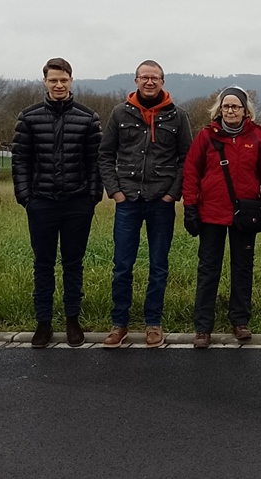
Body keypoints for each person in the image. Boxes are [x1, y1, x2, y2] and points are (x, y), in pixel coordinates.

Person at [97, 60, 191, 349]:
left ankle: (153, 324)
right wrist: (115, 192)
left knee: (158, 266)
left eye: (155, 78)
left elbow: (186, 160)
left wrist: (171, 195)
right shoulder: (119, 113)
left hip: (161, 202)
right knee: (122, 265)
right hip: (128, 201)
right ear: (136, 80)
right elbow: (105, 155)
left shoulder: (178, 116)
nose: (149, 82)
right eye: (144, 77)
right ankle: (119, 324)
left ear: (163, 81)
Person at [11, 58, 102, 348]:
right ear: (45, 82)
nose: (59, 85)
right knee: (43, 264)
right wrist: (26, 196)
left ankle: (73, 320)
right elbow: (20, 161)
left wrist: (91, 197)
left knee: (73, 264)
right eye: (53, 80)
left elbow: (95, 162)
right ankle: (44, 323)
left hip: (77, 204)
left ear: (71, 80)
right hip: (41, 204)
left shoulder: (88, 118)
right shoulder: (29, 117)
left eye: (64, 80)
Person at [183, 86, 261, 349]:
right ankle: (203, 327)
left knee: (242, 269)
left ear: (245, 110)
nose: (230, 110)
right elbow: (191, 172)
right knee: (208, 270)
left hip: (244, 215)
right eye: (226, 106)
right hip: (211, 213)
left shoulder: (258, 137)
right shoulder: (206, 137)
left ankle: (240, 320)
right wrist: (189, 207)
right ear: (219, 109)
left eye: (236, 106)